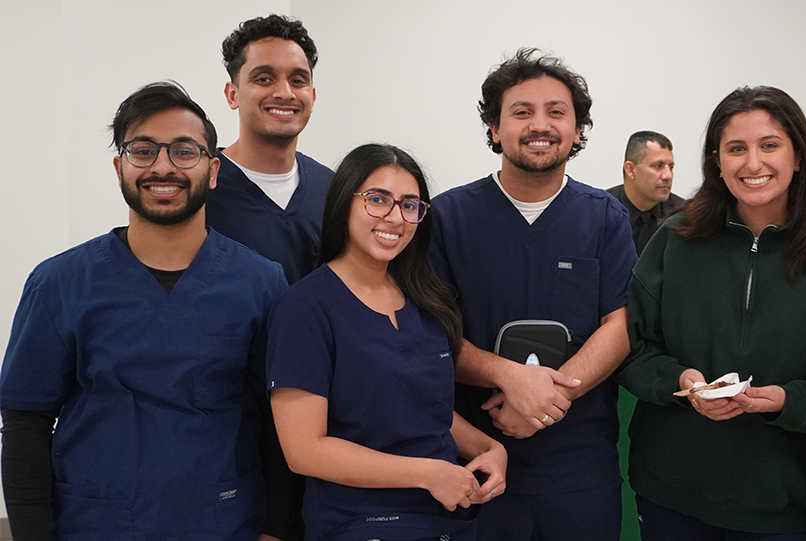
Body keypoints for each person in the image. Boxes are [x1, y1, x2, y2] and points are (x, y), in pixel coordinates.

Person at [0, 81, 288, 540]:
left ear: (213, 171)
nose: (163, 167)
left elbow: (280, 418)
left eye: (183, 151)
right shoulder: (59, 283)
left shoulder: (260, 283)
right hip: (96, 525)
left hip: (225, 522)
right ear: (120, 167)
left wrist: (279, 528)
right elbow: (24, 420)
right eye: (143, 150)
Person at [428, 48, 637, 541]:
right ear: (495, 129)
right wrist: (508, 377)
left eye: (556, 112)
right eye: (521, 112)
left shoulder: (605, 217)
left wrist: (545, 398)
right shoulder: (447, 218)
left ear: (578, 130)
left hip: (578, 465)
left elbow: (621, 322)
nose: (539, 124)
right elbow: (429, 333)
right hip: (471, 459)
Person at [617, 86, 806, 541]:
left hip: (781, 496)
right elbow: (632, 348)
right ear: (716, 163)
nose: (753, 163)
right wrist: (679, 381)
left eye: (770, 145)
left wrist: (785, 400)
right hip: (672, 490)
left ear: (799, 156)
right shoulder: (675, 240)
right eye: (736, 149)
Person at [265, 144, 506, 541]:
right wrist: (427, 473)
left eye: (410, 205)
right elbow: (304, 450)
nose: (395, 217)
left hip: (445, 517)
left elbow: (424, 408)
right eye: (377, 200)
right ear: (345, 202)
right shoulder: (305, 308)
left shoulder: (425, 302)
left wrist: (489, 449)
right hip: (359, 521)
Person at [207, 14, 333, 284]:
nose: (285, 93)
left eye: (298, 81)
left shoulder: (332, 190)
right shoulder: (200, 186)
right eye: (264, 79)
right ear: (232, 94)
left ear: (312, 97)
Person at [606, 130, 686, 255]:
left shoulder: (683, 215)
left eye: (671, 167)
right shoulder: (601, 210)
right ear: (631, 170)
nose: (668, 175)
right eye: (658, 165)